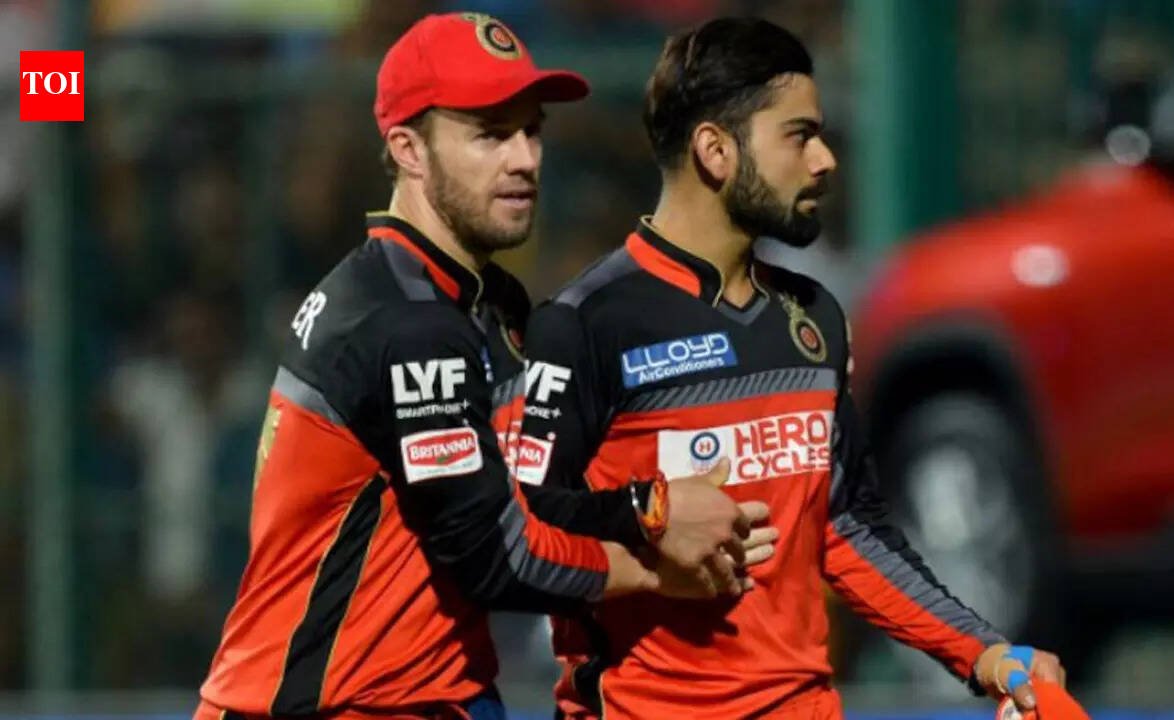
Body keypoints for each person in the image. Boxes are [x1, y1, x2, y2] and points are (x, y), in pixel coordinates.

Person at [194, 13, 774, 720]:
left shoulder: (481, 301)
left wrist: (650, 504)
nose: (525, 159)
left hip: (438, 696)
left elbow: (520, 497)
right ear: (408, 149)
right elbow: (496, 556)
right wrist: (656, 558)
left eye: (532, 130)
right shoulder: (408, 322)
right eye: (490, 135)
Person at [514, 17, 1066, 719]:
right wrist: (649, 519)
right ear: (716, 150)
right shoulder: (584, 324)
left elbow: (846, 528)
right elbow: (519, 536)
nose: (825, 160)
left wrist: (984, 653)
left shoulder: (814, 321)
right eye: (799, 136)